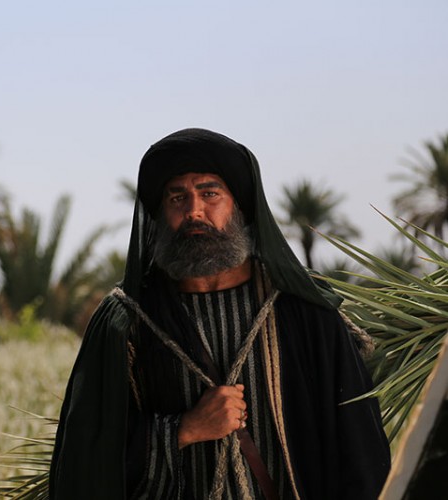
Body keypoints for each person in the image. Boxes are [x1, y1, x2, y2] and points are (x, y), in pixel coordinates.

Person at [49, 128, 390, 500]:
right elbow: (84, 459)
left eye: (209, 194)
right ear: (160, 214)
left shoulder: (304, 311)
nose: (194, 211)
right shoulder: (125, 321)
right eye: (177, 197)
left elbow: (362, 454)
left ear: (239, 207)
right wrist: (183, 430)